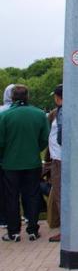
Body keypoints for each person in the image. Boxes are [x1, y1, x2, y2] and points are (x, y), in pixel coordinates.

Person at [0, 85, 50, 241]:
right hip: (32, 161)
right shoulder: (39, 114)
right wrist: (34, 149)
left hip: (10, 163)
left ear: (12, 97)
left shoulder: (5, 116)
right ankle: (33, 229)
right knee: (32, 195)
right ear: (27, 96)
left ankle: (13, 231)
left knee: (11, 197)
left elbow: (1, 142)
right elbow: (44, 139)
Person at [47, 85, 63, 242]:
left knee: (61, 194)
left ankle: (66, 229)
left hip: (61, 159)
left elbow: (61, 136)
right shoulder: (60, 112)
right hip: (59, 158)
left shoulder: (62, 112)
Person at [0, 84, 15, 229]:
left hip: (5, 157)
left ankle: (5, 219)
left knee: (5, 190)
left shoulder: (2, 112)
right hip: (23, 158)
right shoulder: (32, 112)